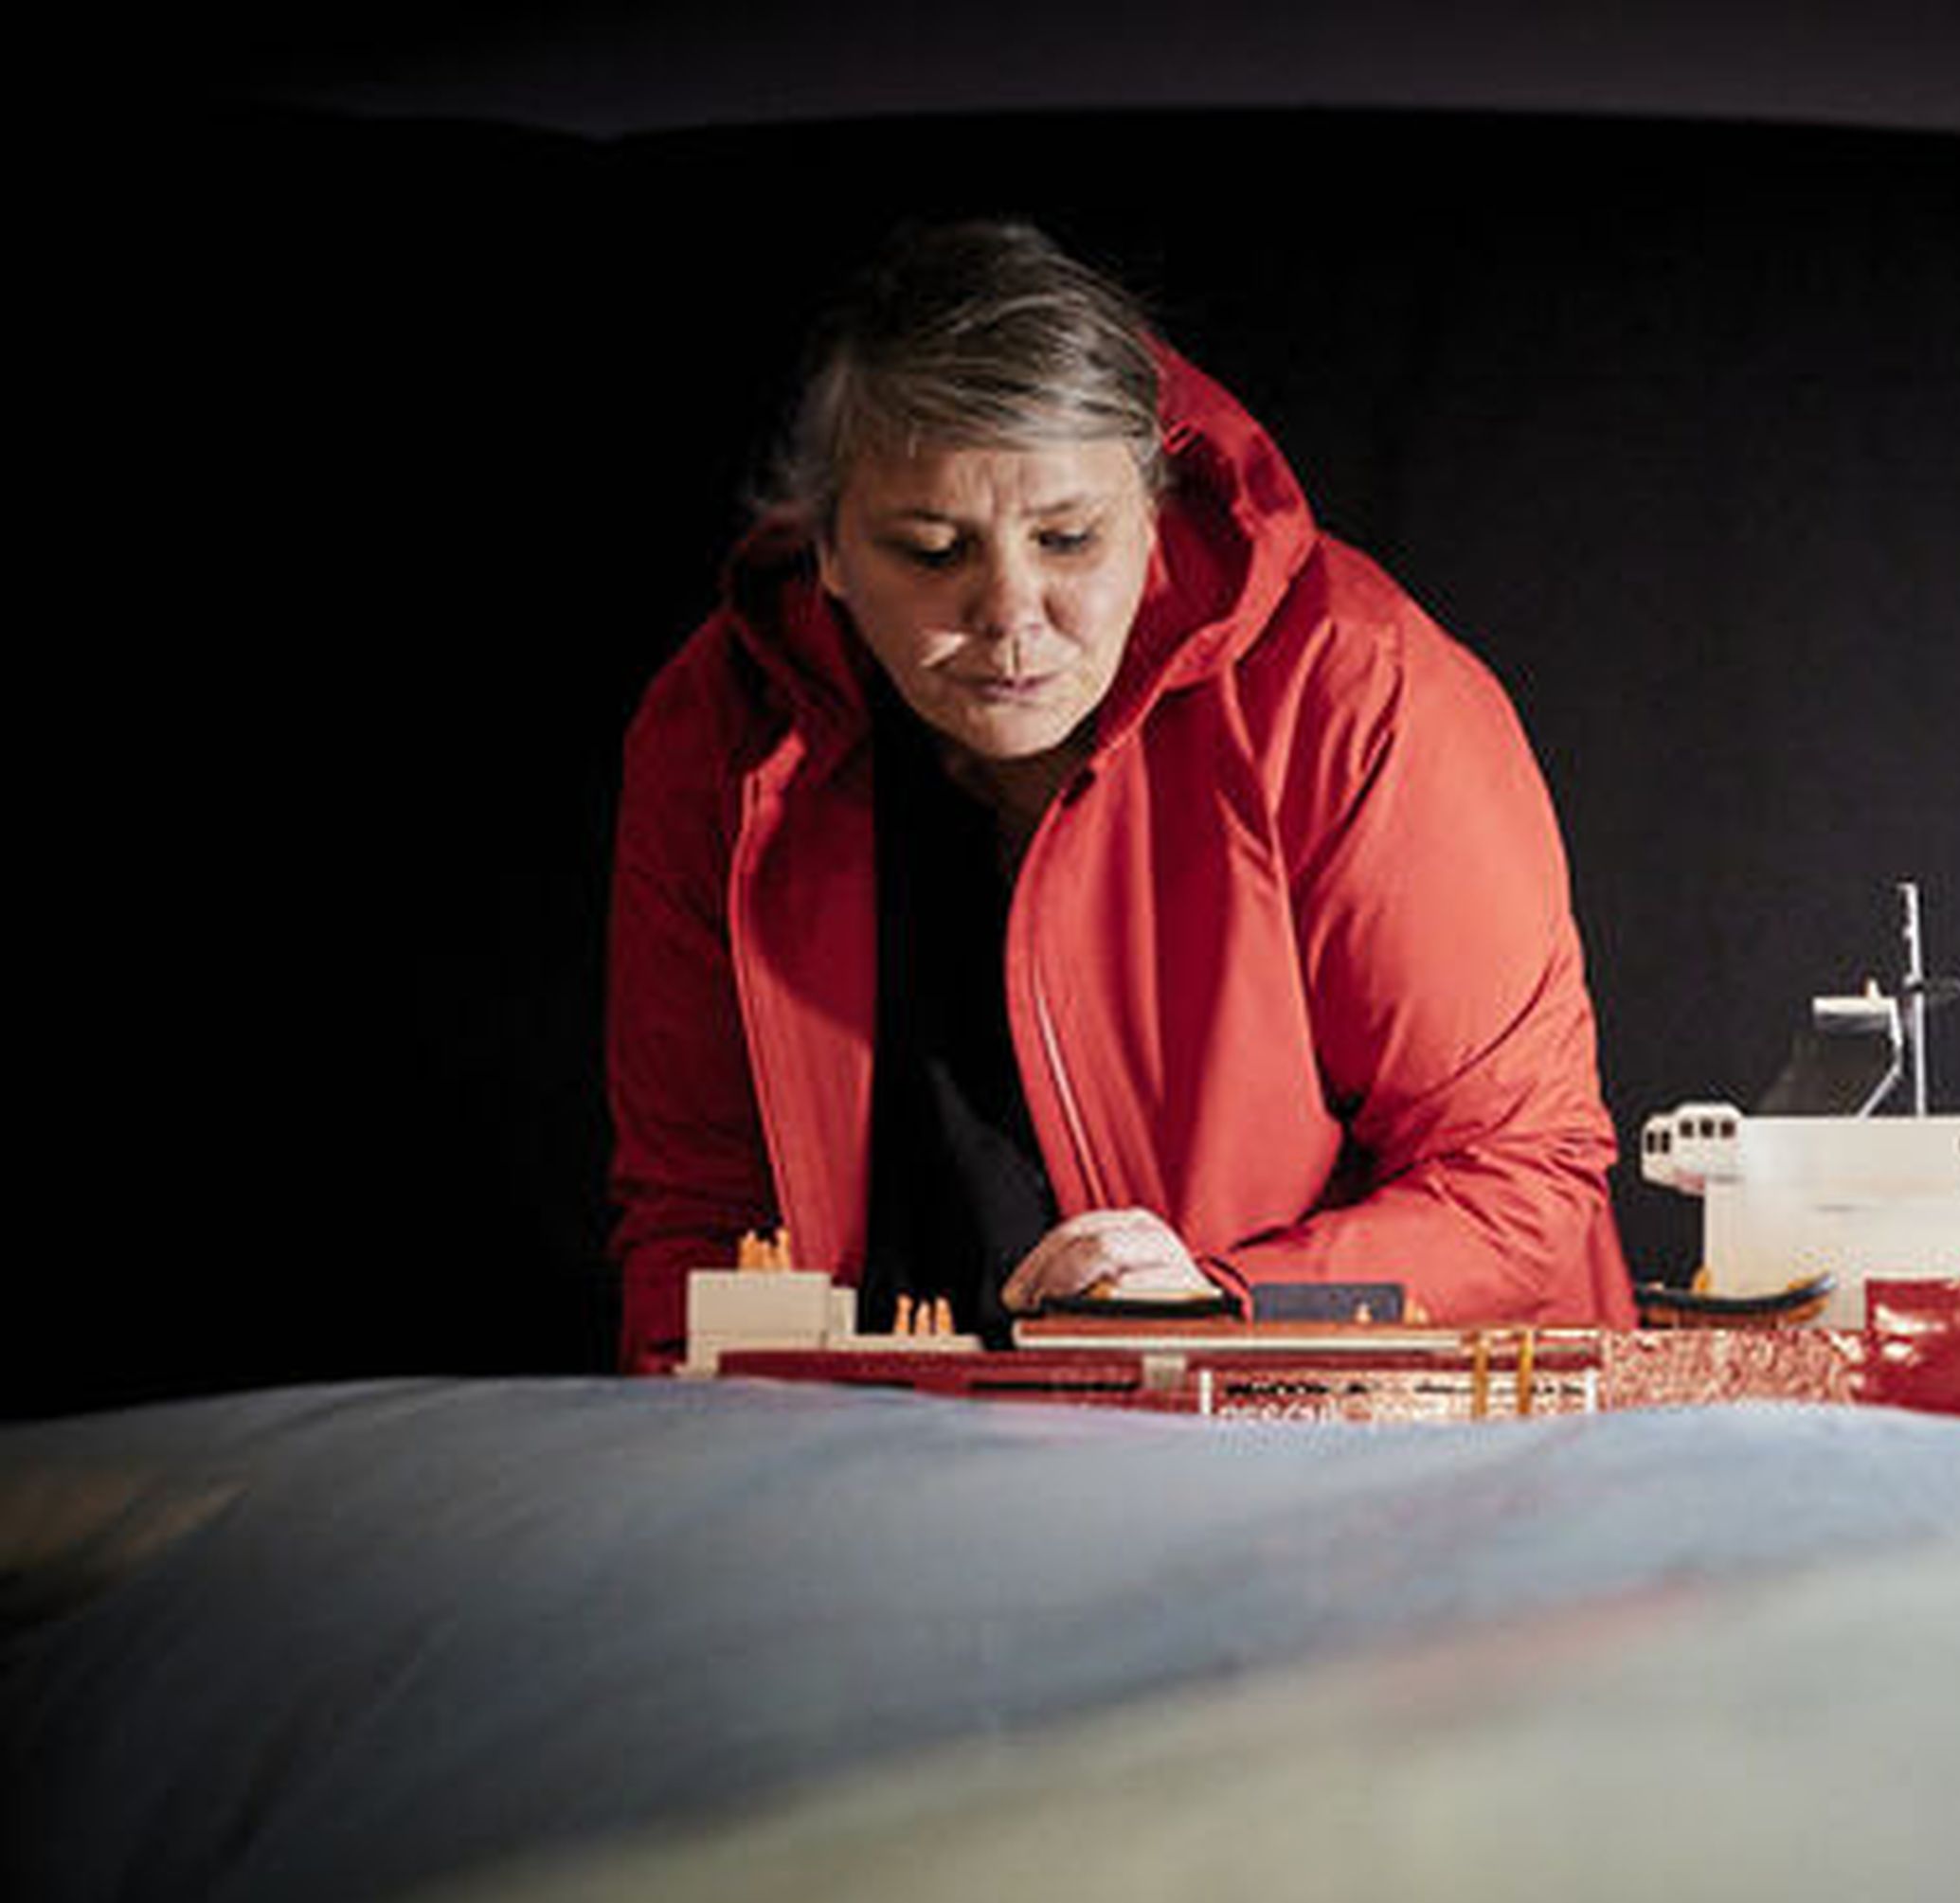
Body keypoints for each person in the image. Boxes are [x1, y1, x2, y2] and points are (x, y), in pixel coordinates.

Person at [607, 221, 1635, 1371]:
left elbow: (1518, 1177)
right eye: (932, 551)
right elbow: (696, 1215)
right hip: (918, 1438)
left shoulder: (1360, 691)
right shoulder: (717, 734)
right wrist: (712, 1447)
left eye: (1068, 539)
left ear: (1152, 511)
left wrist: (1222, 1313)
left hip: (1397, 1429)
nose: (1011, 614)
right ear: (828, 551)